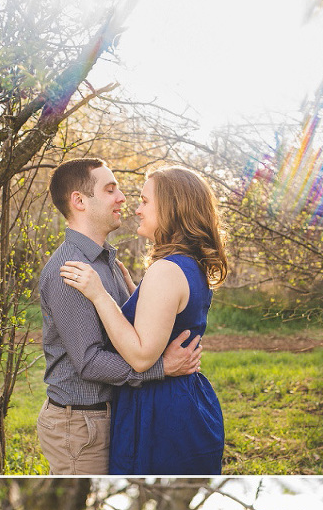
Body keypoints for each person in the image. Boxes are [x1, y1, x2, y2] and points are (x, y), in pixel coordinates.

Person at [37, 157, 203, 475]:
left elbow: (126, 333)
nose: (122, 198)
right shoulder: (70, 270)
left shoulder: (105, 261)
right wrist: (161, 369)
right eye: (110, 189)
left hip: (110, 416)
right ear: (79, 201)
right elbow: (89, 361)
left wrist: (146, 300)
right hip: (80, 426)